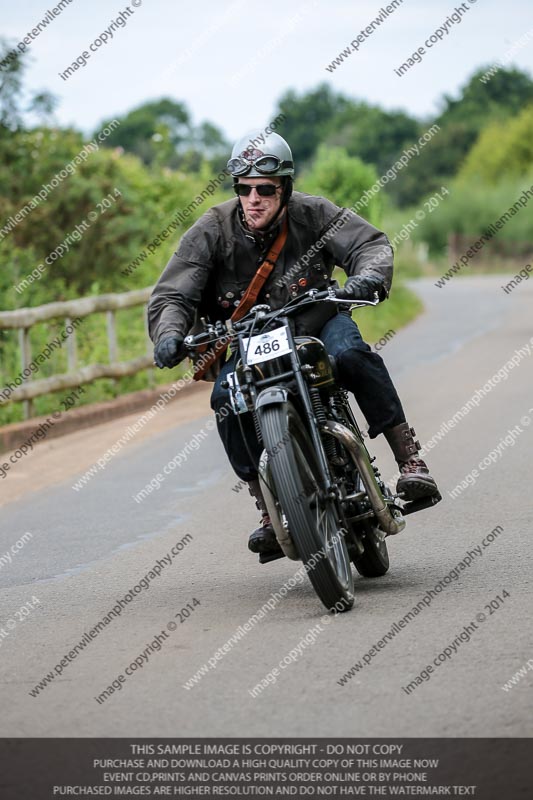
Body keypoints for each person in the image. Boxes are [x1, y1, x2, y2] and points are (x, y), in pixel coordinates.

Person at [148, 129, 440, 557]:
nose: (254, 199)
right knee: (226, 397)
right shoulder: (212, 228)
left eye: (265, 189)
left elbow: (369, 244)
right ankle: (267, 507)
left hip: (317, 322)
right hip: (250, 339)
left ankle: (410, 459)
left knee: (354, 356)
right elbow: (173, 293)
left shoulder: (314, 213)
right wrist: (169, 333)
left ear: (284, 187)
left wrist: (367, 277)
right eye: (244, 190)